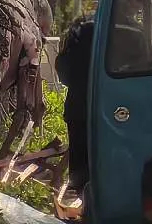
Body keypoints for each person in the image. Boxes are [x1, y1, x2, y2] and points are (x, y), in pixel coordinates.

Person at [53, 15, 95, 203]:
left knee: (80, 161)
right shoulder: (111, 34)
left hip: (77, 108)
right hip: (110, 107)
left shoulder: (74, 40)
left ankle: (83, 203)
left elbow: (64, 76)